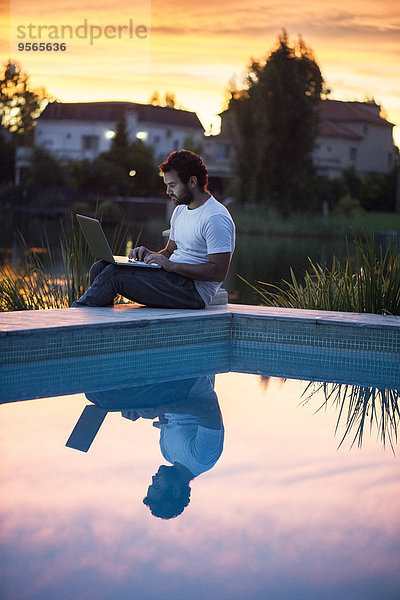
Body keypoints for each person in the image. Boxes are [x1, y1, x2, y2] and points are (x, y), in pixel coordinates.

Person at [71, 150, 235, 309]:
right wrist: (150, 257)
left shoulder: (215, 217)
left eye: (172, 185)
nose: (168, 191)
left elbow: (218, 272)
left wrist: (171, 266)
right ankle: (99, 324)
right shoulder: (180, 210)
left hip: (193, 292)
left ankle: (76, 316)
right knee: (100, 268)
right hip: (172, 278)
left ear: (192, 182)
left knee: (115, 275)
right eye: (167, 185)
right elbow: (170, 251)